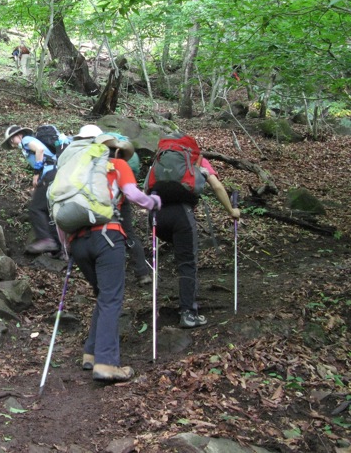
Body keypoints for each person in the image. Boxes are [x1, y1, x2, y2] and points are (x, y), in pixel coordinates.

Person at [65, 125, 161, 382]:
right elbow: (133, 195)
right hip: (107, 237)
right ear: (117, 151)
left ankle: (91, 353)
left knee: (103, 296)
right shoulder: (117, 165)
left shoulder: (80, 168)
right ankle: (106, 363)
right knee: (110, 299)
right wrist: (154, 202)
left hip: (78, 242)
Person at [149, 137, 241, 328]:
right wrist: (231, 211)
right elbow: (216, 186)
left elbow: (147, 188)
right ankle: (188, 314)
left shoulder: (160, 161)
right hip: (181, 215)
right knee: (187, 263)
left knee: (180, 254)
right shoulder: (196, 159)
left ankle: (159, 310)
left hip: (156, 216)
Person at [102, 131, 152, 286]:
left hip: (101, 203)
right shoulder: (125, 158)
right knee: (128, 233)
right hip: (121, 196)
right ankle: (142, 272)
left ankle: (112, 276)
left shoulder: (95, 159)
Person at [1, 124, 60, 254]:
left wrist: (36, 173)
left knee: (35, 208)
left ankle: (46, 240)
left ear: (19, 135)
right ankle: (58, 247)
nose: (12, 144)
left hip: (50, 174)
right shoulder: (27, 143)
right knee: (47, 210)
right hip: (56, 173)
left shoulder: (26, 140)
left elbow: (40, 150)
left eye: (11, 140)